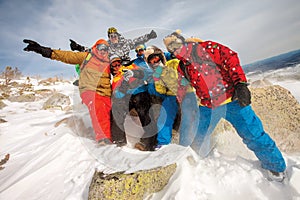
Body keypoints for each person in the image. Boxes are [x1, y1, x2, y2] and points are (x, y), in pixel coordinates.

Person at [163, 30, 287, 182]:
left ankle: (276, 168)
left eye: (176, 45)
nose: (175, 50)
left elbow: (230, 58)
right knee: (199, 137)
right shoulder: (182, 66)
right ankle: (200, 164)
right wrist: (181, 99)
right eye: (171, 49)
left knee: (253, 134)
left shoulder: (207, 48)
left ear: (182, 41)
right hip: (208, 106)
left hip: (232, 101)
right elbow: (182, 85)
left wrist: (240, 84)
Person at [23, 39, 112, 145]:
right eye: (100, 48)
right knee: (98, 108)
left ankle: (110, 137)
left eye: (105, 49)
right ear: (95, 48)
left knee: (108, 113)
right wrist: (43, 50)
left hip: (106, 92)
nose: (102, 51)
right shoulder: (86, 57)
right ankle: (103, 139)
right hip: (90, 90)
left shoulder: (108, 62)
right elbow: (66, 56)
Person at [144, 45, 199, 150]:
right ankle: (163, 143)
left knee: (187, 118)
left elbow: (181, 80)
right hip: (171, 96)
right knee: (164, 118)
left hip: (187, 94)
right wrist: (158, 79)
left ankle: (185, 145)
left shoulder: (174, 63)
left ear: (161, 57)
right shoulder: (157, 73)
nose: (154, 62)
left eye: (156, 58)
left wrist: (164, 71)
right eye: (151, 61)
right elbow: (161, 90)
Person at [111, 54, 157, 151]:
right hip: (127, 98)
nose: (116, 66)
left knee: (145, 113)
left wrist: (134, 73)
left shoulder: (131, 67)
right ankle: (119, 141)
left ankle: (148, 142)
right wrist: (124, 84)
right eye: (113, 65)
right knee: (116, 109)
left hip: (140, 93)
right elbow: (118, 95)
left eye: (118, 63)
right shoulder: (116, 79)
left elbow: (148, 73)